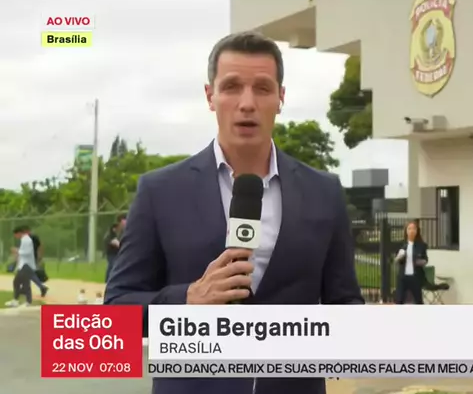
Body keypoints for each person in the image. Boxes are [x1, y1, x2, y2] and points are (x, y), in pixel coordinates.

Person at [104, 31, 364, 394]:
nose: (247, 103)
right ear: (210, 96)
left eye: (262, 88)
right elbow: (117, 310)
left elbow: (344, 303)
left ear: (280, 98)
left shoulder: (324, 192)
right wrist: (188, 298)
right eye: (231, 87)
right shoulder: (159, 191)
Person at [393, 220, 429, 305]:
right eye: (409, 229)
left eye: (414, 229)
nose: (412, 231)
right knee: (399, 300)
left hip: (415, 277)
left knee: (418, 301)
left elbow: (425, 259)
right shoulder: (401, 244)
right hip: (403, 278)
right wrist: (399, 256)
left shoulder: (421, 245)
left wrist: (420, 262)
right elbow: (396, 260)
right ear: (406, 231)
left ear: (417, 231)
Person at [5, 226, 37, 307]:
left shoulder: (26, 240)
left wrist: (17, 251)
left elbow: (27, 252)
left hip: (26, 265)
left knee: (21, 282)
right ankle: (19, 301)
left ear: (19, 233)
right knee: (20, 282)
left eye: (15, 235)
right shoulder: (24, 240)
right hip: (23, 265)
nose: (15, 236)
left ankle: (26, 301)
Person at [104, 214, 126, 282]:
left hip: (115, 252)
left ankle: (109, 280)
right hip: (111, 253)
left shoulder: (120, 232)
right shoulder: (111, 235)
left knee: (112, 266)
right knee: (112, 265)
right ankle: (109, 280)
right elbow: (116, 243)